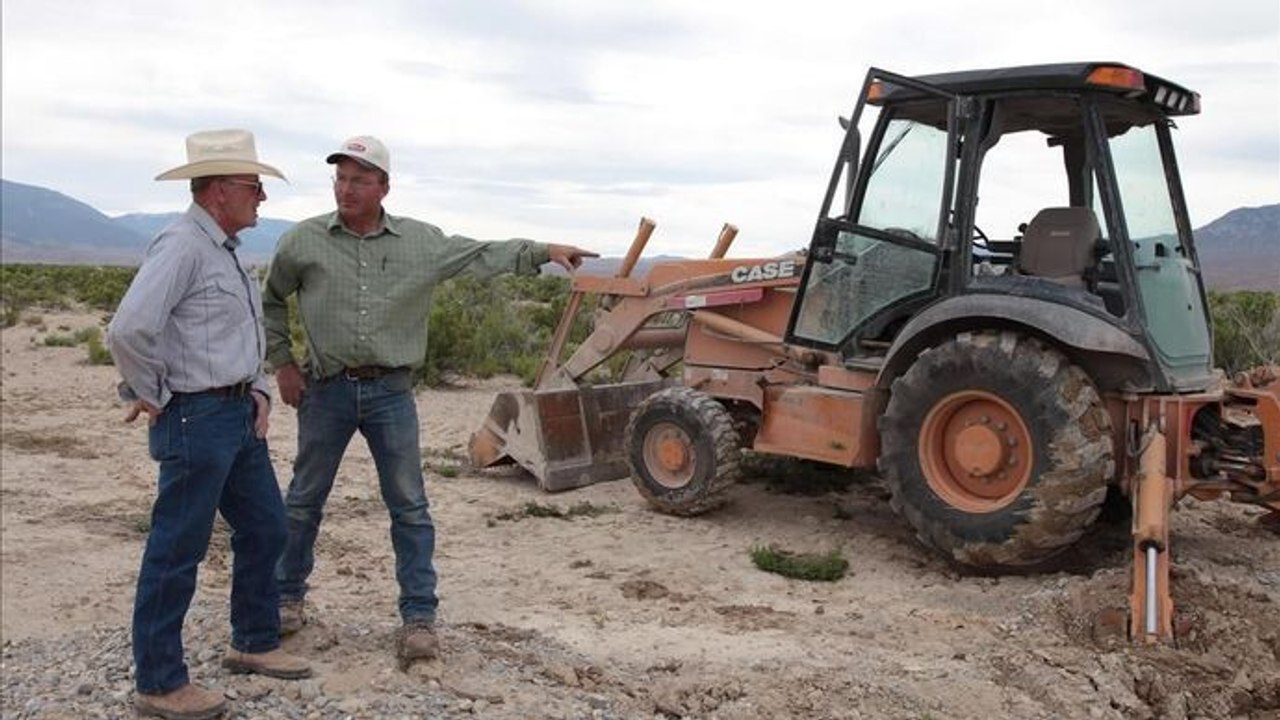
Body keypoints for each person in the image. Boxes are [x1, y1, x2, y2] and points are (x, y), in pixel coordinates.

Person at [262, 135, 596, 667]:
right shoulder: (303, 241)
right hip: (324, 391)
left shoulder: (422, 242)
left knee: (409, 506)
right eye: (340, 178)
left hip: (391, 392)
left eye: (359, 180)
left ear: (383, 187)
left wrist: (543, 251)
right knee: (304, 498)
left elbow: (482, 254)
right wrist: (281, 363)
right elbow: (271, 299)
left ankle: (419, 619)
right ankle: (285, 599)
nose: (346, 189)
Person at [108, 129, 312, 720]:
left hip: (236, 414)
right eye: (254, 187)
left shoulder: (220, 247)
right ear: (221, 190)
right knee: (178, 547)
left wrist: (256, 389)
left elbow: (235, 334)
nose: (262, 200)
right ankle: (159, 681)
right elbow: (128, 330)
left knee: (267, 528)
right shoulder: (181, 246)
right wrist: (152, 393)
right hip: (196, 416)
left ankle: (252, 641)